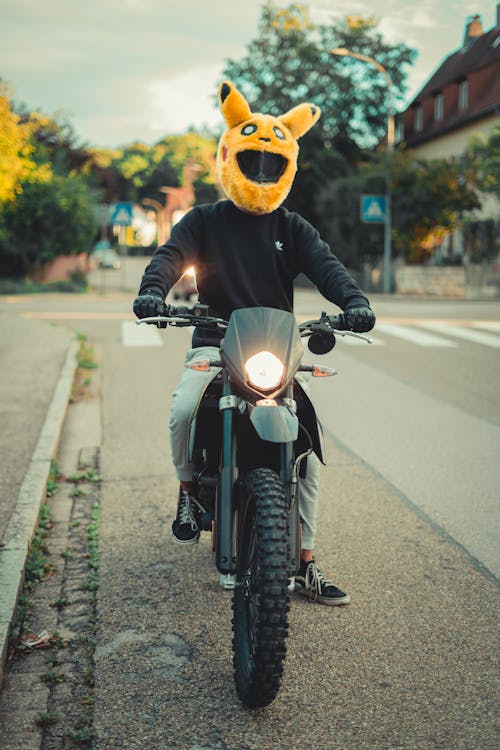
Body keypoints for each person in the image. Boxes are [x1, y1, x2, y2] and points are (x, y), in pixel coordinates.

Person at [133, 81, 375, 606]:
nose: (262, 171)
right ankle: (187, 489)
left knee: (307, 453)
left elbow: (328, 267)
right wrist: (154, 290)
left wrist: (354, 302)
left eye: (272, 162)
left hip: (275, 349)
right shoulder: (204, 220)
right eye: (253, 161)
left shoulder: (293, 226)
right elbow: (170, 255)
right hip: (214, 342)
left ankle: (306, 560)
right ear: (229, 157)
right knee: (180, 411)